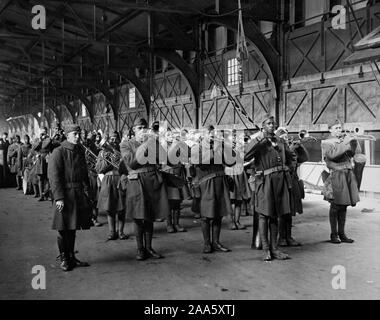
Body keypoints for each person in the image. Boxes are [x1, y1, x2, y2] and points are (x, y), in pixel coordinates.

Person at [244, 115, 294, 261]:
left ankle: (275, 249)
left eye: (273, 123)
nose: (272, 125)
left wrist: (288, 169)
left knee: (276, 215)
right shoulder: (259, 142)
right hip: (265, 182)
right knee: (264, 216)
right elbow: (246, 156)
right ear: (263, 126)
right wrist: (259, 139)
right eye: (268, 123)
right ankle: (266, 249)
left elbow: (291, 157)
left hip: (280, 181)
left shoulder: (281, 141)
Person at [120, 118, 169, 260]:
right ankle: (140, 249)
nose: (142, 130)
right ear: (133, 130)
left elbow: (164, 158)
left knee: (150, 217)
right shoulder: (126, 144)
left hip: (152, 182)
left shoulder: (153, 142)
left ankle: (149, 248)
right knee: (138, 217)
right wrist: (147, 144)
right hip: (137, 182)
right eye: (139, 128)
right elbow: (132, 163)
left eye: (144, 127)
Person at [48, 124, 93, 272]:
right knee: (62, 229)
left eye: (79, 134)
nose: (78, 136)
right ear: (67, 135)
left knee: (72, 228)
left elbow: (84, 172)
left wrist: (88, 191)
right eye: (75, 134)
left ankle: (71, 257)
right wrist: (59, 198)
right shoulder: (58, 152)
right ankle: (64, 259)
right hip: (65, 195)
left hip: (78, 194)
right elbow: (54, 177)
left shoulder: (79, 150)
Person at [190, 125, 235, 254]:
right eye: (208, 132)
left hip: (220, 182)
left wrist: (226, 146)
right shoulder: (196, 147)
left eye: (213, 132)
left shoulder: (220, 146)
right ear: (202, 134)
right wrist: (215, 151)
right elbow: (198, 161)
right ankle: (206, 244)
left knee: (218, 214)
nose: (211, 134)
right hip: (206, 184)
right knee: (205, 215)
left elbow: (231, 161)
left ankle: (215, 242)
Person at [321, 119, 360, 244]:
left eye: (340, 128)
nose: (339, 130)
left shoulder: (344, 140)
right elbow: (332, 156)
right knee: (335, 206)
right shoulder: (326, 142)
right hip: (336, 175)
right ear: (330, 130)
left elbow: (355, 154)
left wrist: (354, 142)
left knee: (344, 206)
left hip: (347, 174)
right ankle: (334, 234)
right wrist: (345, 143)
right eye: (336, 128)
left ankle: (342, 234)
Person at [275, 127, 307, 247]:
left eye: (286, 137)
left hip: (292, 183)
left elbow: (304, 158)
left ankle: (288, 236)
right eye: (282, 137)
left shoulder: (289, 148)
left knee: (290, 212)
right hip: (282, 182)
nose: (286, 140)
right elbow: (289, 165)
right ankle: (281, 237)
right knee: (282, 212)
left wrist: (300, 147)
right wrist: (292, 150)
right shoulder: (277, 150)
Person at [96, 131, 127, 240]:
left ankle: (121, 232)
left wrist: (121, 159)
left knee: (121, 207)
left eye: (115, 139)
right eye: (111, 139)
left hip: (120, 179)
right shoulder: (102, 153)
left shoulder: (123, 151)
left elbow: (127, 166)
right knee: (110, 208)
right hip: (108, 180)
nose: (113, 141)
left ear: (118, 139)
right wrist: (106, 160)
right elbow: (99, 169)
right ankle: (112, 232)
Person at [81, 130, 103, 227]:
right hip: (83, 174)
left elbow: (98, 158)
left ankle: (94, 218)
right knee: (85, 197)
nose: (85, 137)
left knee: (95, 197)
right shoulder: (79, 146)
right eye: (83, 134)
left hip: (93, 174)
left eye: (86, 134)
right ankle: (87, 217)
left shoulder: (93, 146)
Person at [32, 127, 52, 201]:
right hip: (39, 160)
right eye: (42, 132)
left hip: (47, 159)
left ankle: (46, 194)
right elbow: (34, 147)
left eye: (44, 132)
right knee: (40, 178)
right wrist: (40, 140)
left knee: (48, 178)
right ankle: (41, 195)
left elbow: (46, 146)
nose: (43, 133)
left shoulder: (48, 139)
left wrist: (46, 138)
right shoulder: (37, 140)